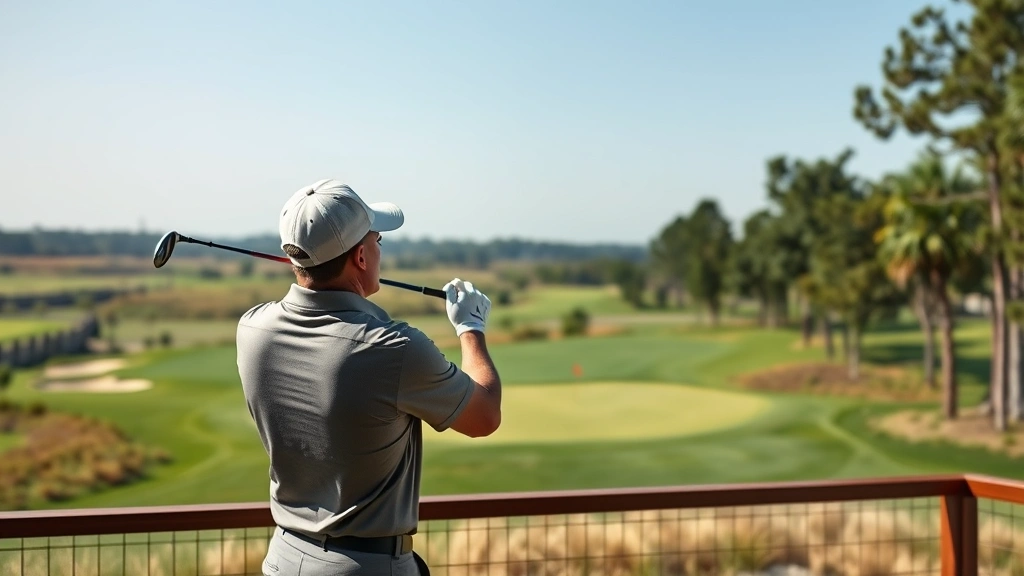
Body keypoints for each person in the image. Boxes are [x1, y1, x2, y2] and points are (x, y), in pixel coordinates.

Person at [236, 178, 502, 576]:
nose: (380, 251)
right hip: (367, 566)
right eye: (378, 241)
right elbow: (484, 416)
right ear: (360, 257)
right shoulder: (394, 348)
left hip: (283, 559)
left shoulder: (252, 328)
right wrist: (471, 329)